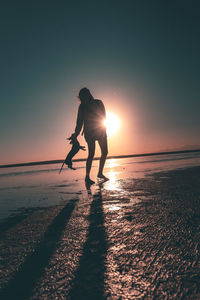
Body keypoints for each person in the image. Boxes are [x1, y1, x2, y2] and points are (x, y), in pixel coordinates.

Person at [70, 87, 108, 184]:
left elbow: (104, 116)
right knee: (91, 154)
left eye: (84, 95)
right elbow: (79, 123)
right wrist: (75, 134)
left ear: (88, 94)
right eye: (82, 97)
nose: (83, 98)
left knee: (105, 152)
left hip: (100, 130)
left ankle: (100, 173)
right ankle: (87, 177)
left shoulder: (99, 102)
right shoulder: (82, 107)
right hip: (89, 132)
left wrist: (104, 128)